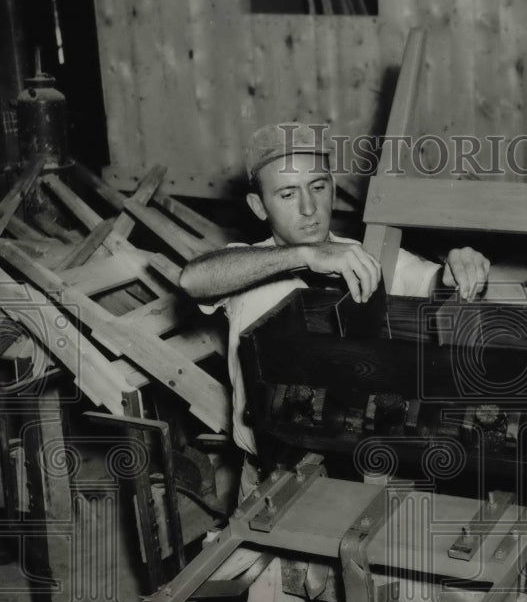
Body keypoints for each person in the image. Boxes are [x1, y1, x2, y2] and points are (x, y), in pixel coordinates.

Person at [179, 122, 491, 497]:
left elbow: (435, 286)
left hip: (363, 482)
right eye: (288, 194)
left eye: (318, 187)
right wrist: (305, 256)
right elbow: (193, 280)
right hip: (269, 482)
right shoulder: (246, 267)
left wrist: (460, 268)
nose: (309, 209)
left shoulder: (369, 255)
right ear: (259, 206)